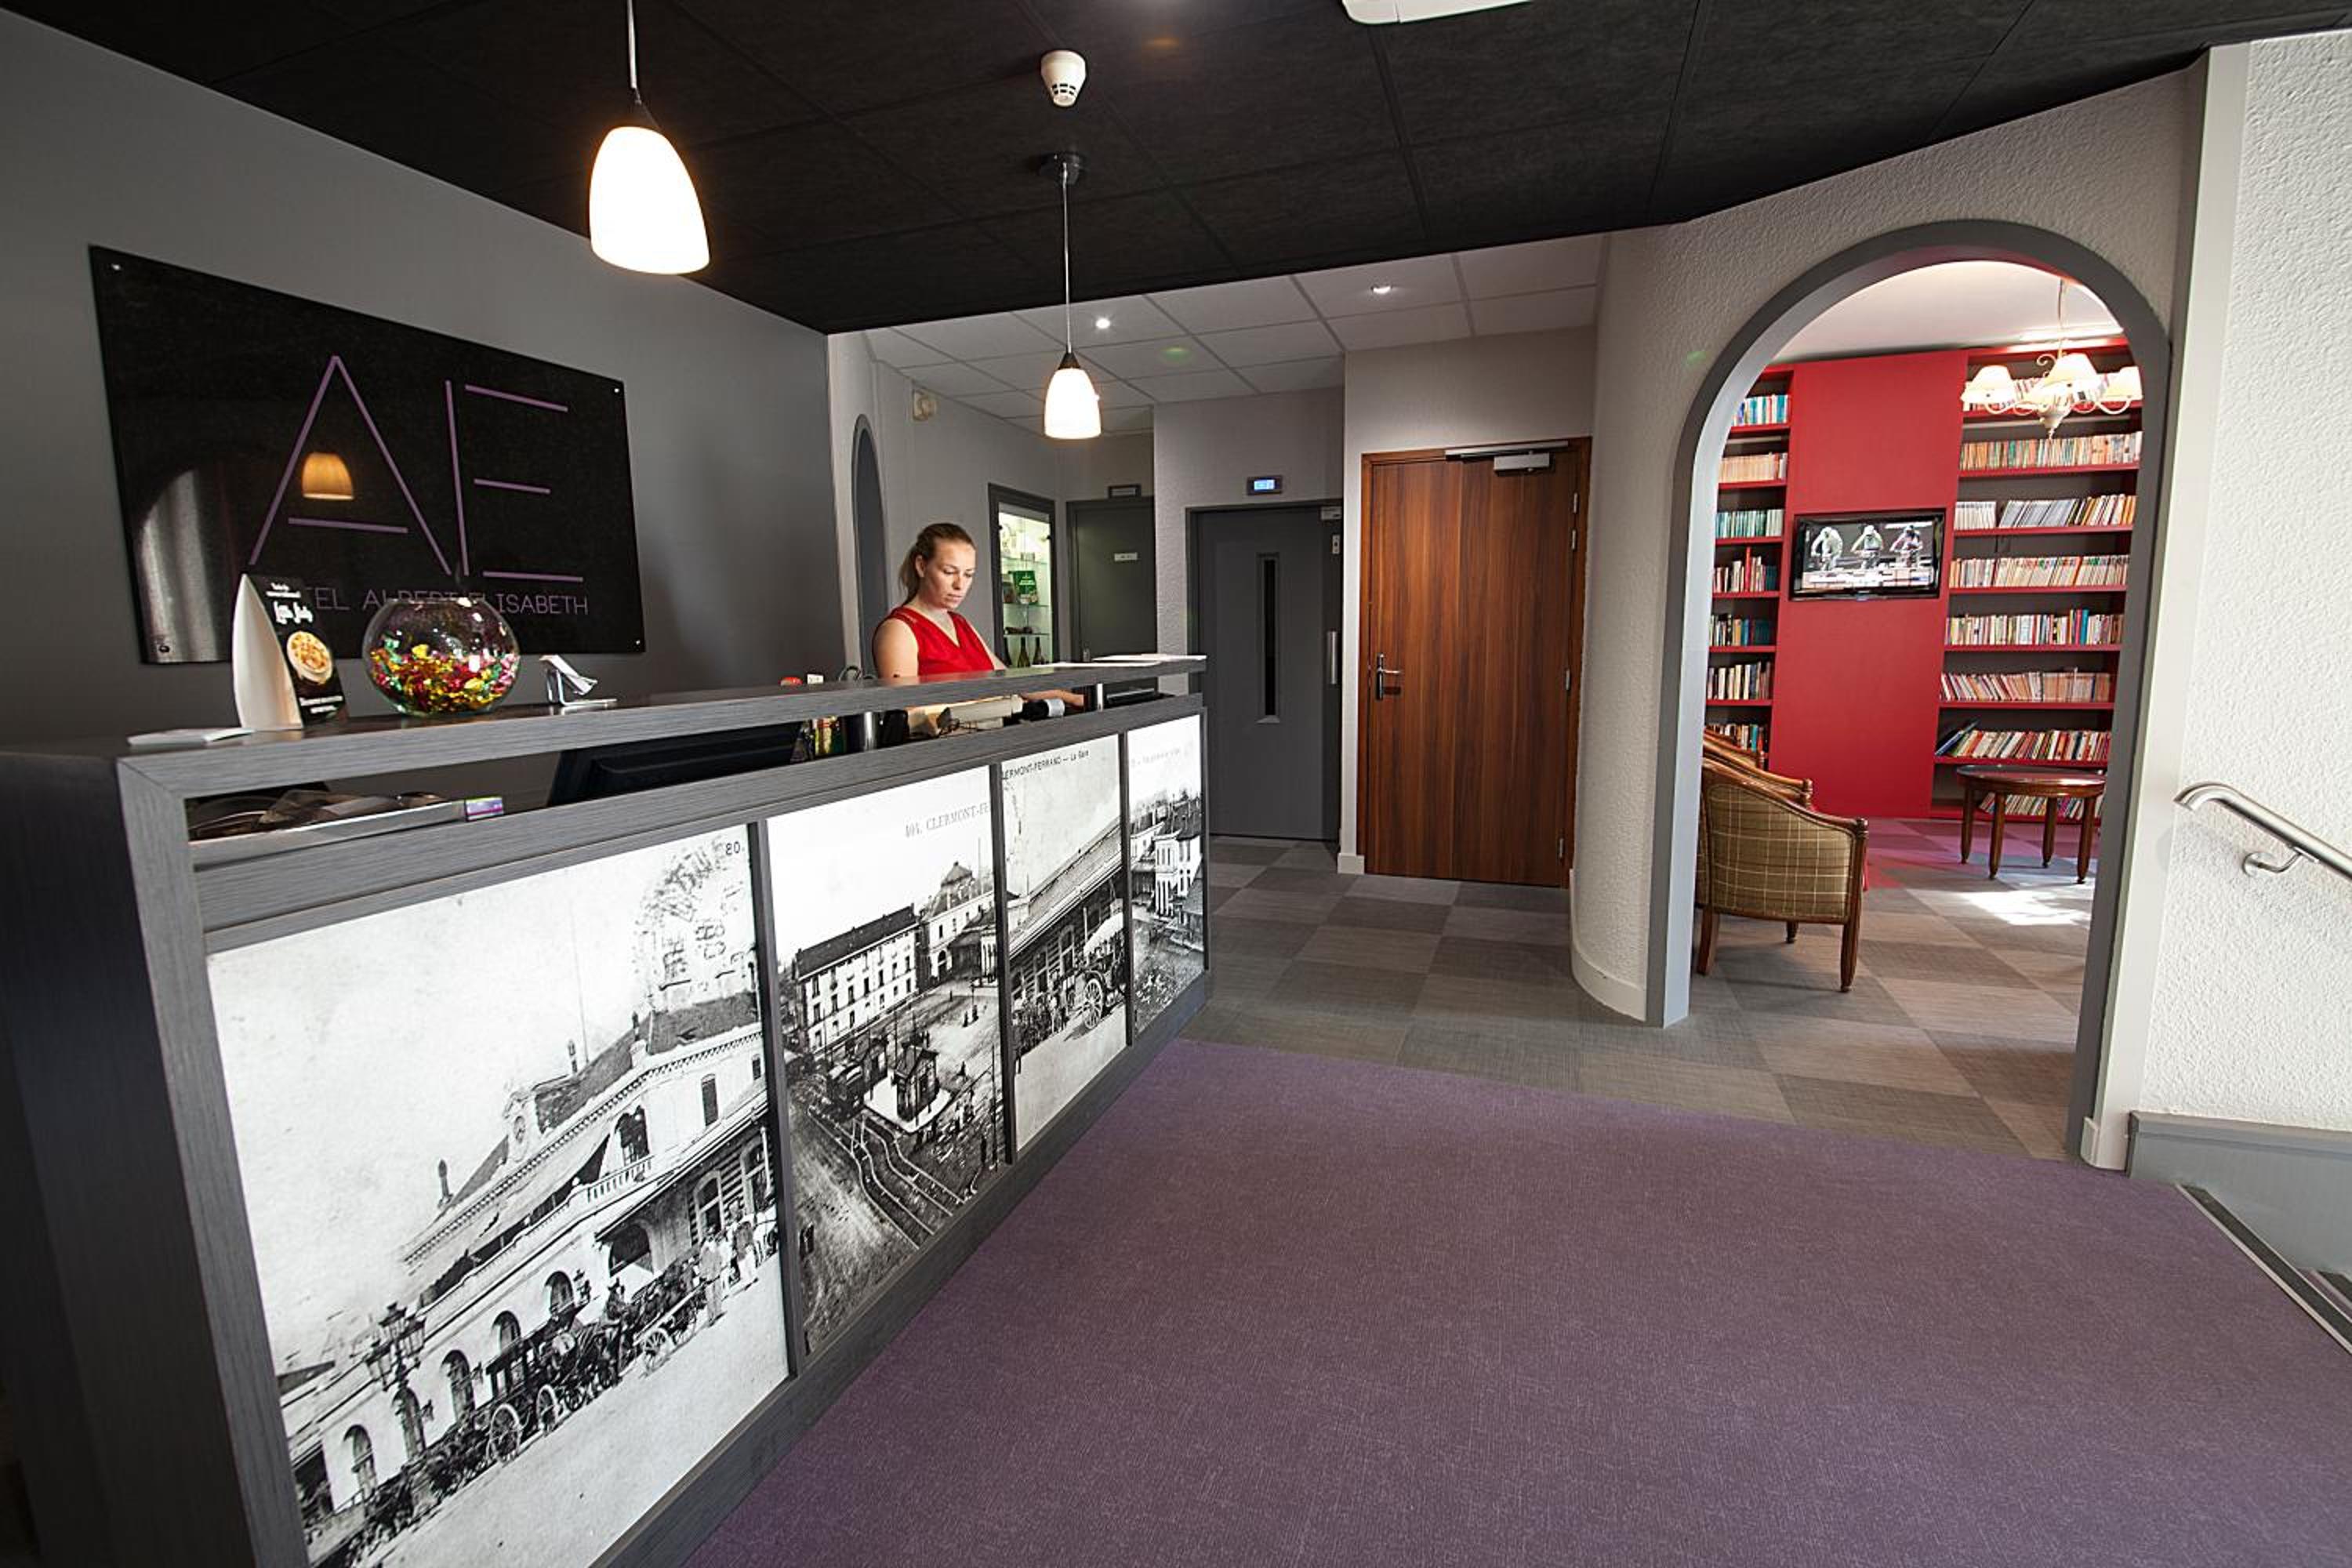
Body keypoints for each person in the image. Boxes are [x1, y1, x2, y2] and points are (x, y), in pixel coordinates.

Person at [870, 521, 1087, 710]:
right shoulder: (899, 630)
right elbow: (907, 711)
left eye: (968, 575)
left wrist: (1071, 698)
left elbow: (1009, 681)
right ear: (921, 566)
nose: (960, 585)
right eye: (949, 572)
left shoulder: (960, 623)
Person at [698, 1232, 729, 1323]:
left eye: (711, 1235)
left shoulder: (714, 1248)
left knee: (717, 1294)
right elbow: (702, 1266)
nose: (711, 1238)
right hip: (709, 1278)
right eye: (709, 1236)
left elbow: (719, 1259)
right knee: (710, 1298)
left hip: (716, 1275)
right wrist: (704, 1276)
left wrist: (720, 1266)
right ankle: (712, 1317)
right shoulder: (704, 1252)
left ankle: (718, 1312)